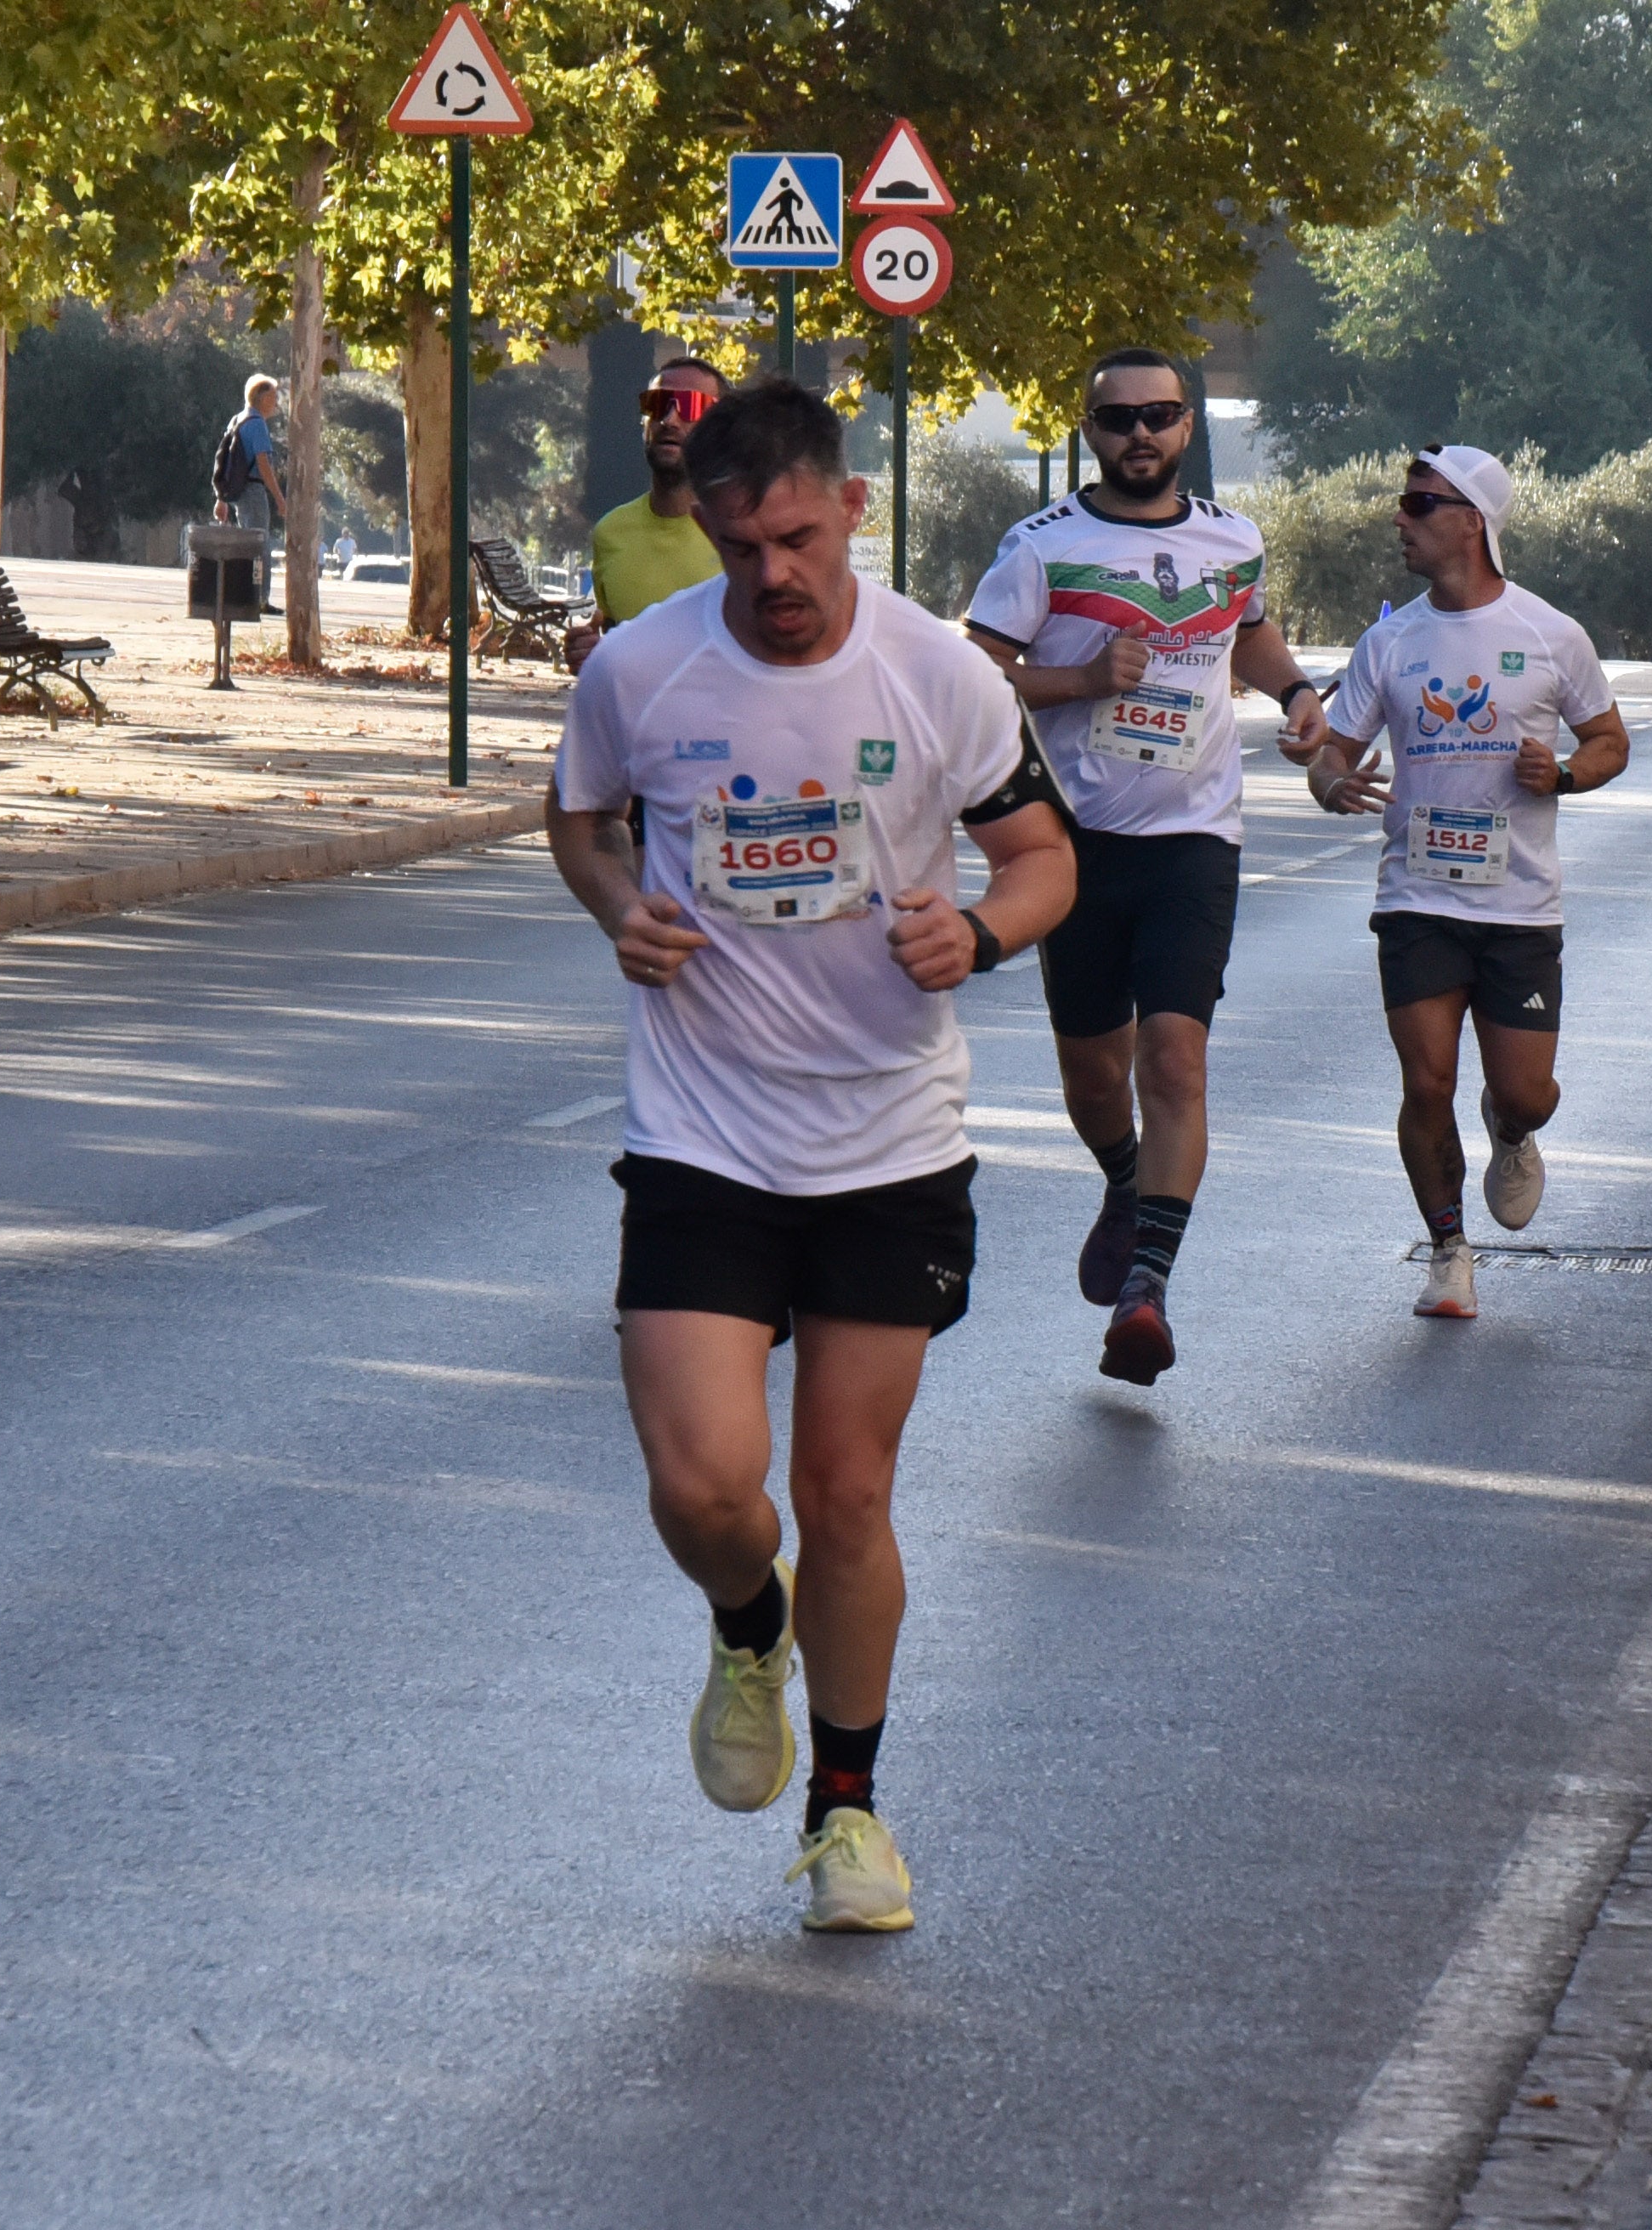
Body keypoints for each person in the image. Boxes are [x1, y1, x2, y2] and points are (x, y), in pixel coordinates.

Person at [543, 379, 1077, 1933]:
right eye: (737, 543)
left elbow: (1045, 855)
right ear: (701, 524)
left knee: (846, 1489)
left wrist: (974, 928)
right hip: (702, 1131)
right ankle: (741, 1622)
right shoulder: (640, 669)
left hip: (887, 1141)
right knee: (708, 1486)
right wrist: (614, 904)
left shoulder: (937, 675)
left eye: (795, 536)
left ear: (851, 507)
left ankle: (847, 1813)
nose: (772, 574)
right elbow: (577, 816)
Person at [966, 349, 1330, 1384]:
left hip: (1195, 839)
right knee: (1095, 1076)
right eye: (1119, 418)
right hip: (1072, 844)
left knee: (1174, 1057)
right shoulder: (1042, 544)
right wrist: (1079, 677)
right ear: (1089, 429)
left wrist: (1297, 694)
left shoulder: (1232, 537)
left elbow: (1249, 636)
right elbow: (976, 672)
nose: (1140, 434)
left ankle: (1149, 1289)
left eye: (1160, 415)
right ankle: (1124, 1178)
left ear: (1184, 427)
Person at [1303, 446, 1632, 1321]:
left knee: (1526, 1090)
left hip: (1519, 904)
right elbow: (1333, 751)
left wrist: (1561, 774)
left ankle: (1513, 1128)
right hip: (1416, 897)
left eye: (1418, 502)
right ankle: (1449, 1249)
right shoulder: (1391, 639)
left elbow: (1610, 740)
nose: (1399, 518)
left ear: (1472, 521)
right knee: (1424, 1084)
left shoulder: (1548, 633)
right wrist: (1333, 782)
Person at [567, 357, 734, 671]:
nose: (670, 419)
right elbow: (614, 642)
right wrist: (588, 654)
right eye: (658, 404)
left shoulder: (742, 535)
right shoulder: (611, 532)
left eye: (691, 405)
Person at [215, 374, 289, 614]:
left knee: (247, 546)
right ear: (261, 397)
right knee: (260, 545)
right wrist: (279, 498)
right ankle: (259, 600)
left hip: (238, 493)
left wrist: (221, 498)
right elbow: (263, 465)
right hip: (253, 491)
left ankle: (246, 595)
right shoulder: (257, 424)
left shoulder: (238, 419)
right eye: (273, 396)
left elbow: (225, 462)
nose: (276, 402)